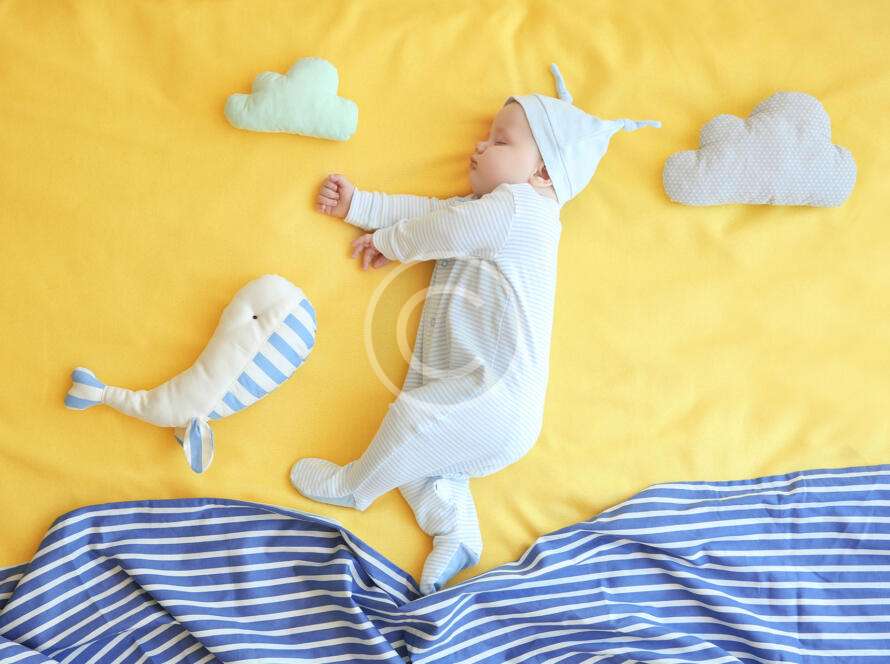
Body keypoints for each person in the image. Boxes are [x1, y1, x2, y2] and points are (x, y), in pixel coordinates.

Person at [292, 63, 660, 594]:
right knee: (420, 461)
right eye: (487, 137)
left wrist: (390, 242)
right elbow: (434, 212)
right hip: (482, 402)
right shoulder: (489, 209)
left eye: (501, 141)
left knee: (412, 424)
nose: (481, 146)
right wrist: (362, 205)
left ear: (543, 174)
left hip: (495, 396)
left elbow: (441, 228)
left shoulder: (521, 209)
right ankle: (456, 529)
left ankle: (355, 485)